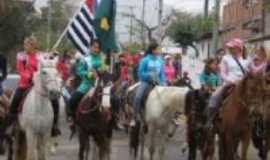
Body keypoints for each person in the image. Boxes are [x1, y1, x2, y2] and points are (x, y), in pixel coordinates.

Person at [206, 38, 249, 126]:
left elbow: (249, 74)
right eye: (230, 47)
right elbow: (222, 73)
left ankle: (258, 126)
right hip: (229, 84)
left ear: (239, 48)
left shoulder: (246, 60)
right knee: (214, 97)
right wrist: (231, 81)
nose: (231, 49)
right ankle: (211, 121)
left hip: (244, 85)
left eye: (233, 47)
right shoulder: (226, 58)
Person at [67, 40, 105, 126]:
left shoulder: (102, 59)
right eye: (94, 47)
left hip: (101, 84)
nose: (96, 49)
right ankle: (73, 118)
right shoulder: (85, 59)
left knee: (114, 99)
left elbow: (105, 69)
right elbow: (79, 71)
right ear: (90, 47)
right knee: (73, 99)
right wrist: (90, 74)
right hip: (87, 84)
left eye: (98, 47)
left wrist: (102, 71)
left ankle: (114, 120)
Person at [131, 42, 166, 126]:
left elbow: (162, 74)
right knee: (138, 97)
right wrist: (149, 76)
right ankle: (134, 118)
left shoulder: (160, 61)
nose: (159, 50)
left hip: (158, 83)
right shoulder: (144, 60)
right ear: (153, 50)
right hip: (145, 82)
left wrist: (163, 83)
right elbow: (140, 73)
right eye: (158, 49)